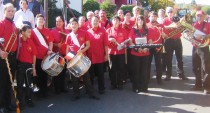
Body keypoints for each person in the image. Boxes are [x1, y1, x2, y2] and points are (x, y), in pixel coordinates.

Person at [65, 17, 99, 101]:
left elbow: (88, 45)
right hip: (72, 58)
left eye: (75, 23)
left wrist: (82, 51)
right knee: (74, 77)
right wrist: (67, 59)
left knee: (86, 76)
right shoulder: (69, 35)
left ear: (78, 24)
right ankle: (76, 94)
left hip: (82, 57)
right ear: (70, 25)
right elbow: (67, 48)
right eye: (72, 24)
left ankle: (91, 93)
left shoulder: (84, 33)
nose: (74, 25)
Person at [0, 3, 18, 113]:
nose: (11, 13)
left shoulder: (14, 25)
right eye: (9, 11)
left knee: (9, 81)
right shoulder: (1, 24)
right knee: (2, 82)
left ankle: (7, 104)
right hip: (3, 56)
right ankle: (2, 106)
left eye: (12, 11)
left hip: (12, 56)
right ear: (5, 11)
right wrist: (0, 52)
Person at [31, 14, 53, 98]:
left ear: (44, 21)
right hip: (36, 57)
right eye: (39, 19)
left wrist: (50, 50)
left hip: (46, 57)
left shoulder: (47, 31)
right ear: (36, 21)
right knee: (37, 75)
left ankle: (45, 92)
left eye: (42, 19)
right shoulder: (33, 32)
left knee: (45, 75)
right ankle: (38, 93)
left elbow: (50, 42)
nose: (40, 21)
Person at [163, 7, 188, 81]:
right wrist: (172, 25)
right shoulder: (165, 20)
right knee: (168, 59)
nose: (170, 13)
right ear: (166, 13)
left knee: (179, 58)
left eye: (171, 12)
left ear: (173, 12)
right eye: (168, 12)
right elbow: (163, 27)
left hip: (177, 40)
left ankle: (181, 74)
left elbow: (183, 28)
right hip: (168, 41)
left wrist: (181, 25)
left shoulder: (178, 19)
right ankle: (168, 75)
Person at [16, 24, 37, 109]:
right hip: (20, 65)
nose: (30, 33)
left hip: (29, 65)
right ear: (23, 32)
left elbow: (34, 55)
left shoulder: (30, 41)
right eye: (28, 32)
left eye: (31, 31)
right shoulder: (18, 41)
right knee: (20, 84)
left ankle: (29, 99)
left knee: (29, 84)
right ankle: (20, 102)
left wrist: (34, 67)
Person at [129, 15, 150, 93]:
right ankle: (136, 87)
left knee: (144, 71)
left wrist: (146, 48)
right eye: (138, 20)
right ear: (136, 21)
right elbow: (130, 41)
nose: (140, 21)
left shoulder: (147, 30)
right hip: (135, 54)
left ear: (144, 21)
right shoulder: (133, 30)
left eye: (141, 20)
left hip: (145, 53)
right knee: (136, 71)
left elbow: (150, 41)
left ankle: (144, 87)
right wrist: (137, 48)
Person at [87, 16, 108, 94]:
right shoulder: (88, 32)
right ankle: (91, 89)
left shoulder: (103, 31)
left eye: (96, 20)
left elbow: (106, 44)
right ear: (90, 22)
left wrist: (106, 55)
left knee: (100, 74)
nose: (95, 22)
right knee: (91, 74)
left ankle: (101, 88)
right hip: (90, 56)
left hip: (100, 56)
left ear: (98, 21)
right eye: (93, 21)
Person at [191, 10, 210, 94]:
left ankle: (207, 87)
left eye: (201, 15)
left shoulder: (208, 24)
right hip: (195, 48)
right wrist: (189, 36)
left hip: (204, 48)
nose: (199, 17)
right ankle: (198, 85)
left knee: (206, 68)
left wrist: (205, 36)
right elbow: (191, 36)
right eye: (198, 15)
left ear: (204, 16)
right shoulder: (193, 25)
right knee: (196, 67)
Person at [106, 16, 128, 90]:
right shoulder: (108, 30)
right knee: (112, 68)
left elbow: (126, 41)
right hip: (111, 52)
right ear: (112, 21)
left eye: (117, 20)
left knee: (120, 68)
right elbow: (105, 42)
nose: (115, 21)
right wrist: (110, 40)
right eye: (114, 20)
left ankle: (120, 83)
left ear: (119, 22)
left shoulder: (123, 30)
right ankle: (113, 84)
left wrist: (122, 45)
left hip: (121, 52)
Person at [51, 16, 69, 94]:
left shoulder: (67, 31)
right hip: (57, 54)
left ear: (63, 22)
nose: (58, 23)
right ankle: (57, 89)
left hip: (65, 54)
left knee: (63, 71)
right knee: (57, 71)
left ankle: (62, 87)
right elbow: (50, 43)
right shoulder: (53, 31)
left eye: (59, 21)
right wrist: (56, 45)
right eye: (56, 21)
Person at [147, 11, 166, 85]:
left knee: (158, 63)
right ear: (149, 17)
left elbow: (165, 37)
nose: (153, 17)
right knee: (148, 63)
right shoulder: (146, 25)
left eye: (155, 16)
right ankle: (147, 78)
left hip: (158, 47)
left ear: (156, 17)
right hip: (149, 46)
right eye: (152, 16)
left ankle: (159, 79)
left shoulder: (161, 25)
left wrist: (164, 35)